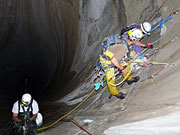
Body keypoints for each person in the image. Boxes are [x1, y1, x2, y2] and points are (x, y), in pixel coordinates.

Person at [100, 28, 153, 99]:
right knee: (111, 78)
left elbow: (135, 42)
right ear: (134, 39)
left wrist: (145, 45)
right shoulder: (123, 48)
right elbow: (113, 59)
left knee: (126, 65)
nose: (137, 41)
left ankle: (129, 79)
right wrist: (121, 68)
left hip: (115, 55)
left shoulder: (126, 38)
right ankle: (115, 93)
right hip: (107, 60)